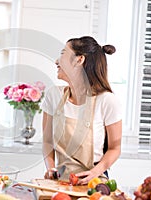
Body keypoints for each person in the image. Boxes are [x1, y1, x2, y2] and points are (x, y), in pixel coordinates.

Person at [42, 36, 122, 185]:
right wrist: (51, 168)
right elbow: (47, 141)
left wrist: (94, 173)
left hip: (95, 181)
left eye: (63, 54)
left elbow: (115, 148)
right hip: (60, 183)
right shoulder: (54, 96)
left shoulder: (107, 101)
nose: (56, 61)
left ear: (79, 60)